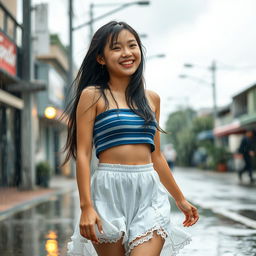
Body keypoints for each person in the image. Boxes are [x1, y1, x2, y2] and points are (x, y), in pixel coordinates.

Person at [62, 21, 199, 256]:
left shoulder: (151, 99)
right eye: (116, 48)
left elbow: (156, 155)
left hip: (148, 192)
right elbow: (83, 154)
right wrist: (86, 207)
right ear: (101, 58)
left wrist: (180, 199)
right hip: (108, 191)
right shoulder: (92, 96)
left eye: (132, 45)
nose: (127, 53)